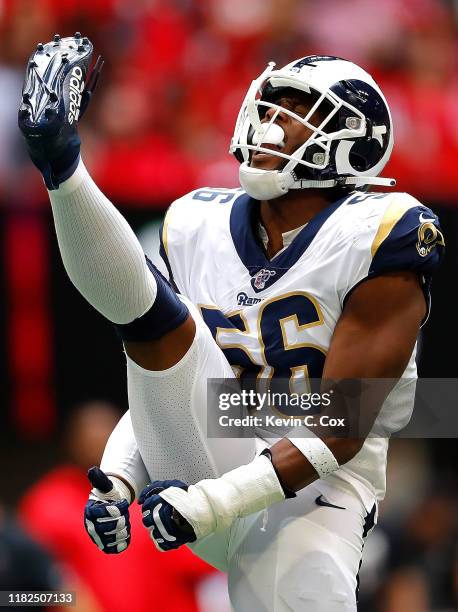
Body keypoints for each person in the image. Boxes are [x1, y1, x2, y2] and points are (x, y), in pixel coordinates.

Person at [18, 36, 444, 611]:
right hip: (216, 443)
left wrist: (210, 505)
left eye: (299, 111)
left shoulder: (382, 233)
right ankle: (62, 165)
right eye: (270, 106)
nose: (272, 122)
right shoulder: (198, 222)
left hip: (320, 484)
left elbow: (339, 426)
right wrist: (118, 479)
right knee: (153, 320)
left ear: (353, 144)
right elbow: (166, 374)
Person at [19, 401, 215, 612]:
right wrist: (66, 599)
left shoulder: (162, 492)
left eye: (106, 433)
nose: (97, 441)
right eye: (88, 434)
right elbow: (24, 585)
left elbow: (210, 565)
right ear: (71, 442)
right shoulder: (48, 501)